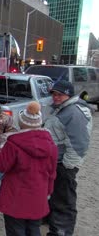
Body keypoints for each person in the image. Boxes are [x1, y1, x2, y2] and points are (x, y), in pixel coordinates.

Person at [0, 101, 58, 236]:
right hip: (38, 197)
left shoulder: (13, 144)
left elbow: (2, 165)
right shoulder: (51, 146)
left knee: (15, 230)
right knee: (34, 229)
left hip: (15, 198)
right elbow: (52, 173)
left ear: (21, 123)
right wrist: (48, 192)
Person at [43, 80, 93, 236]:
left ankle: (61, 230)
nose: (56, 97)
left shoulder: (73, 113)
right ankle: (49, 218)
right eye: (54, 94)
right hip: (55, 161)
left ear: (69, 95)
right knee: (53, 193)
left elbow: (79, 143)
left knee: (63, 199)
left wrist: (68, 166)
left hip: (64, 163)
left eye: (60, 95)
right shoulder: (61, 109)